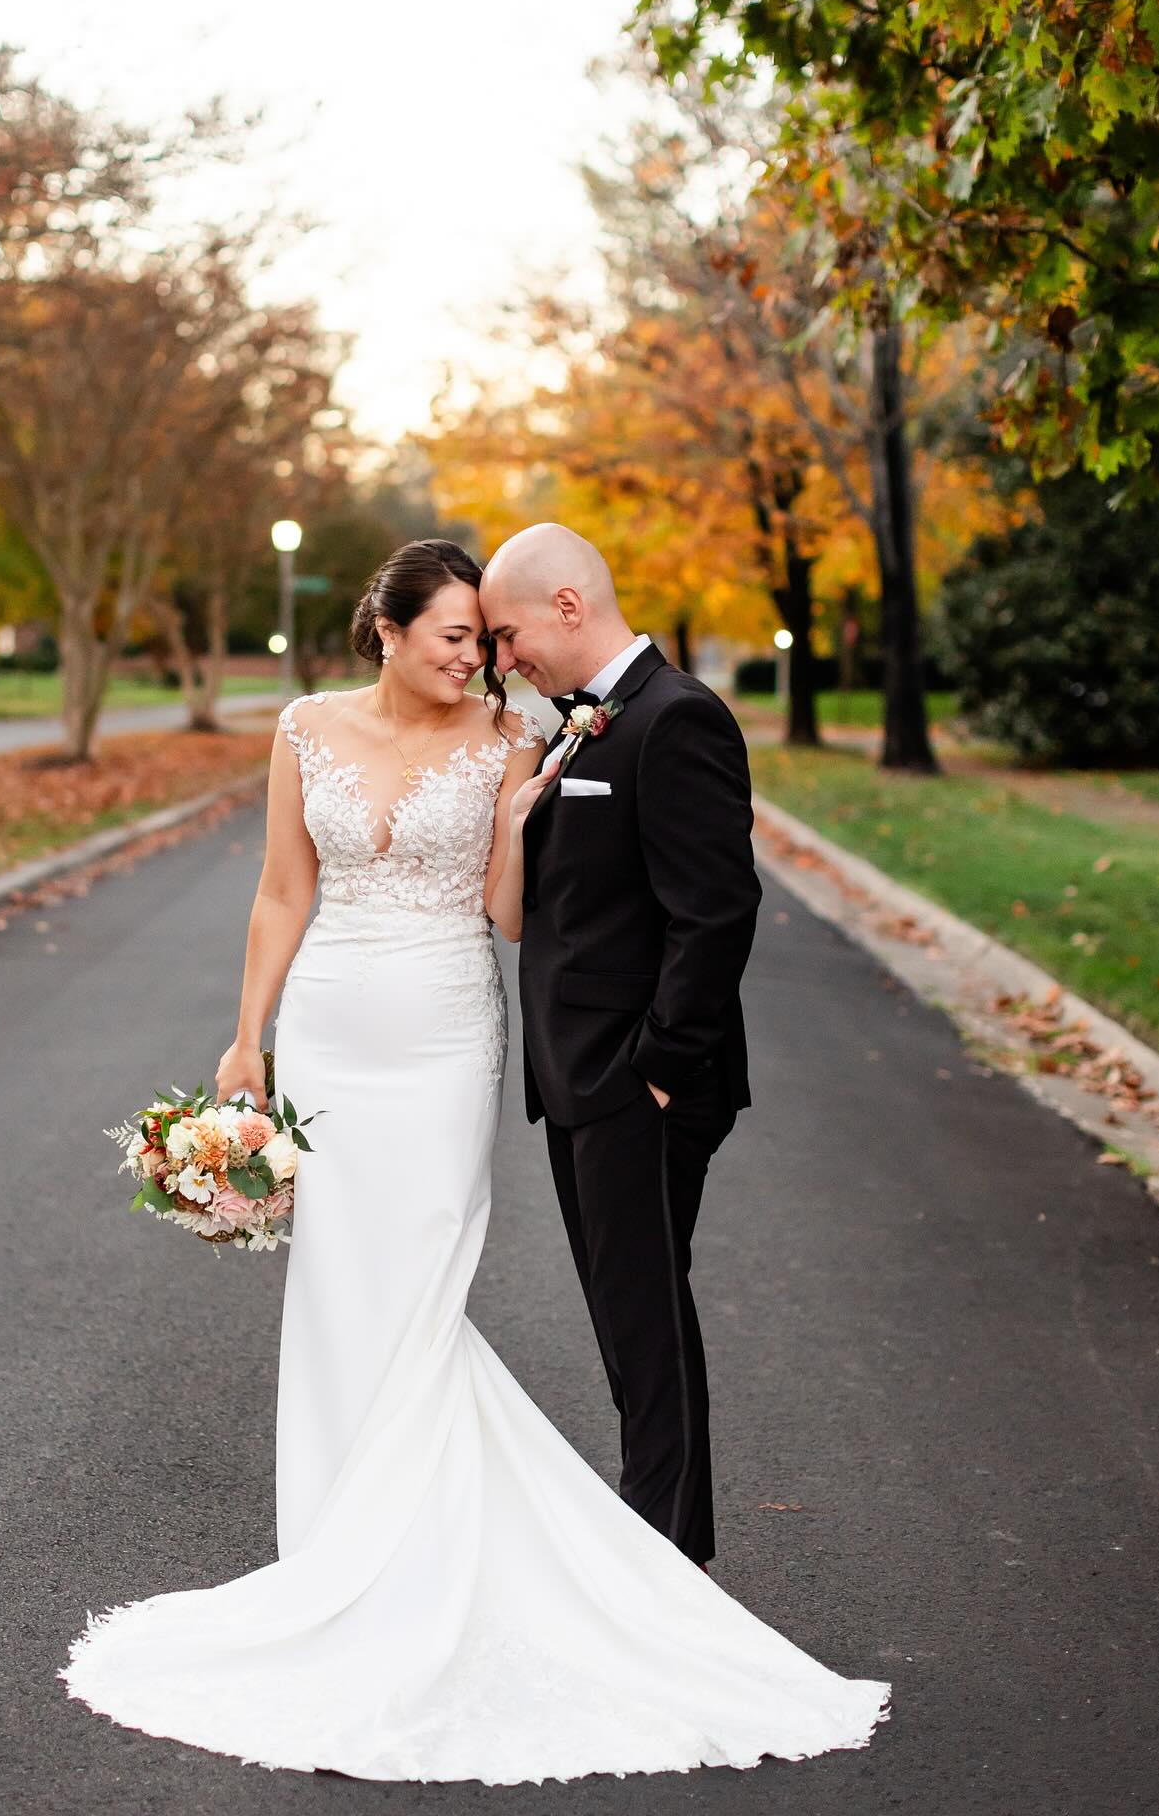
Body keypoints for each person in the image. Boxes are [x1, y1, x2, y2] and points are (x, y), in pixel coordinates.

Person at [60, 535, 890, 1783]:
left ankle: (587, 1565)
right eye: (458, 637)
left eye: (491, 637)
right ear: (386, 631)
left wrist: (512, 831)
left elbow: (526, 917)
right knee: (340, 1291)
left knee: (433, 1295)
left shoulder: (525, 738)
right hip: (333, 1032)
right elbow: (284, 892)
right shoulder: (303, 729)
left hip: (452, 1040)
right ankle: (341, 1552)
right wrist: (248, 1041)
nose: (483, 660)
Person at [477, 521, 761, 1571]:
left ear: (567, 606)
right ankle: (667, 1555)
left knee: (643, 1329)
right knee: (630, 1321)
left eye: (508, 636)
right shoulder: (583, 724)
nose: (507, 661)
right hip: (582, 1085)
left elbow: (718, 911)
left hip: (634, 1087)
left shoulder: (676, 719)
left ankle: (664, 1573)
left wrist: (654, 1070)